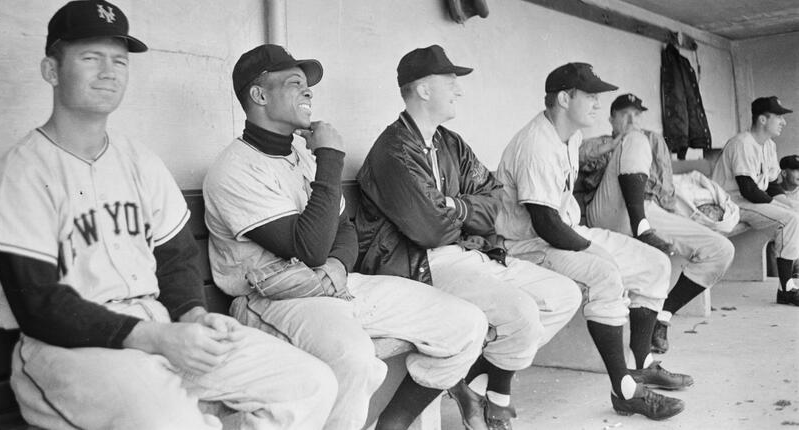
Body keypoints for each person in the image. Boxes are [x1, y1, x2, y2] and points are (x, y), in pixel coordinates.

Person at [0, 0, 336, 430]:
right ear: (51, 70)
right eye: (90, 58)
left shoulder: (140, 161)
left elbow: (176, 260)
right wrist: (157, 337)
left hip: (161, 329)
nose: (108, 72)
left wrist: (194, 316)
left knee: (310, 383)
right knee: (172, 420)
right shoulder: (20, 174)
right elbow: (38, 303)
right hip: (71, 350)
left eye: (119, 61)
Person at [203, 44, 489, 430]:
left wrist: (337, 267)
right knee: (355, 357)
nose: (308, 91)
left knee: (465, 322)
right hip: (275, 299)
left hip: (335, 285)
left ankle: (392, 423)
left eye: (307, 85)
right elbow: (307, 247)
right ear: (259, 95)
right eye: (294, 83)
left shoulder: (301, 155)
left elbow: (344, 230)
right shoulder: (236, 168)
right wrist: (330, 157)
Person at [355, 45, 582, 430]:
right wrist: (464, 213)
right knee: (521, 314)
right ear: (423, 89)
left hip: (469, 253)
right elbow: (430, 230)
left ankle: (470, 381)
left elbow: (495, 201)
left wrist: (454, 207)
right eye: (450, 82)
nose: (458, 90)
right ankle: (471, 393)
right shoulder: (393, 150)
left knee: (563, 295)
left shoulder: (450, 142)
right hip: (420, 265)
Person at [496, 63, 691, 421]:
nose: (598, 104)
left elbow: (559, 217)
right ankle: (624, 390)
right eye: (590, 96)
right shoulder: (536, 143)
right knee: (605, 274)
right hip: (527, 245)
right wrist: (593, 249)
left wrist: (589, 242)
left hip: (565, 232)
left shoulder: (570, 136)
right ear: (564, 98)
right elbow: (545, 223)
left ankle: (642, 364)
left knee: (655, 264)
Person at [583, 93, 734, 353]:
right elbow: (579, 161)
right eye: (624, 114)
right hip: (609, 211)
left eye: (636, 115)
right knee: (635, 139)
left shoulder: (653, 142)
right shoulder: (598, 143)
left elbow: (666, 186)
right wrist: (609, 149)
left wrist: (674, 219)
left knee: (720, 249)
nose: (631, 120)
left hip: (648, 209)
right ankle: (642, 228)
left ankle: (663, 316)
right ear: (611, 119)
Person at [711, 96, 799, 306]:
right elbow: (748, 189)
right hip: (729, 205)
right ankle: (786, 289)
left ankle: (788, 285)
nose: (783, 122)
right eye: (778, 116)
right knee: (790, 220)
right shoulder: (742, 143)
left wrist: (789, 204)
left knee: (794, 213)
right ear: (762, 119)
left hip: (748, 203)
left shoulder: (768, 145)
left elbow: (773, 185)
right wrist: (783, 208)